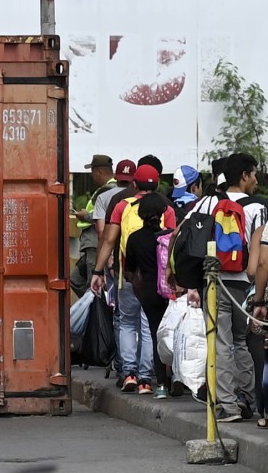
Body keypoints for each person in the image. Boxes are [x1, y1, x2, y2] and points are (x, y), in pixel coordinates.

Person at [190, 152, 262, 422]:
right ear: (244, 175)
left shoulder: (209, 202)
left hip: (216, 279)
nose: (256, 179)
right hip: (245, 282)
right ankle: (251, 400)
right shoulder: (259, 206)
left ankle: (229, 406)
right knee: (241, 341)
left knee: (221, 342)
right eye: (254, 174)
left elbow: (189, 240)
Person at [91, 163, 173, 393]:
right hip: (158, 279)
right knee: (149, 326)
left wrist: (98, 271)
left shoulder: (122, 206)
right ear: (158, 185)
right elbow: (174, 242)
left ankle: (129, 374)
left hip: (127, 275)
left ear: (134, 183)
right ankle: (147, 379)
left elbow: (108, 240)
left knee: (126, 321)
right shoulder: (167, 207)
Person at [122, 191, 178, 397]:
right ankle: (178, 377)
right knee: (175, 333)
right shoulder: (169, 235)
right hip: (170, 290)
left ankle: (162, 384)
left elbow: (129, 269)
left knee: (156, 335)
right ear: (163, 212)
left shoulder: (134, 238)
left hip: (148, 291)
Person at [71, 154, 118, 296]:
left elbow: (104, 217)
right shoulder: (107, 189)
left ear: (100, 172)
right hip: (91, 244)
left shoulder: (107, 191)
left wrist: (85, 215)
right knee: (76, 279)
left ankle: (96, 314)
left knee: (94, 283)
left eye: (92, 171)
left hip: (96, 244)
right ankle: (89, 308)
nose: (92, 175)